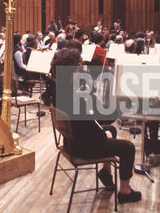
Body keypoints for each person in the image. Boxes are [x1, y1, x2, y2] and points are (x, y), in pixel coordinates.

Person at [51, 48, 141, 204]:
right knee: (128, 147)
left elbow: (85, 124)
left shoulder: (56, 89)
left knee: (111, 129)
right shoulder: (75, 98)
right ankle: (125, 192)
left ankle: (106, 172)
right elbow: (91, 129)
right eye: (78, 67)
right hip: (84, 148)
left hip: (69, 143)